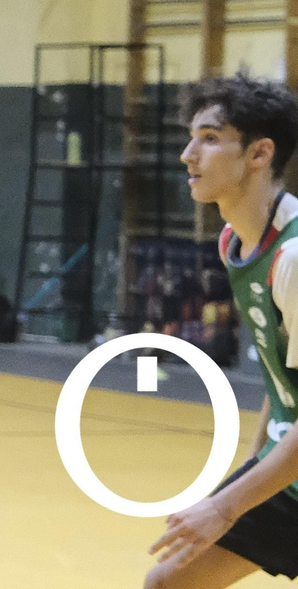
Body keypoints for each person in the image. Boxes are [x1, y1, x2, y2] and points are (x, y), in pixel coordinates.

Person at [145, 74, 298, 589]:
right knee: (169, 581)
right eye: (191, 137)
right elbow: (283, 382)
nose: (189, 154)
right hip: (291, 472)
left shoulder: (294, 259)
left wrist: (227, 506)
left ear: (259, 154)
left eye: (209, 139)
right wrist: (252, 469)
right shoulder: (237, 241)